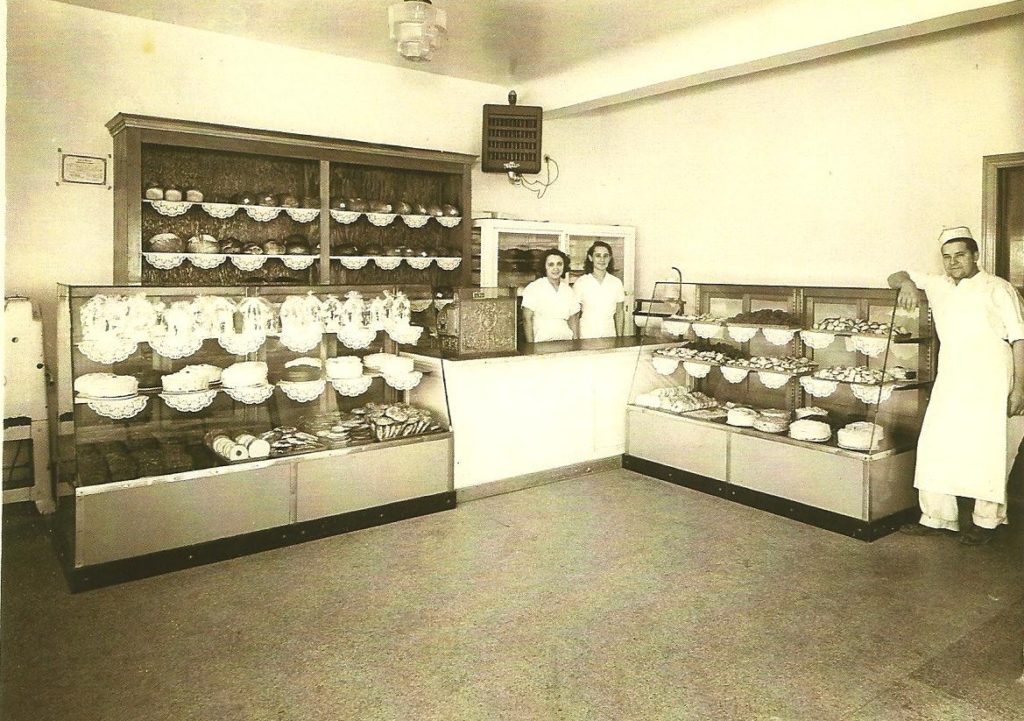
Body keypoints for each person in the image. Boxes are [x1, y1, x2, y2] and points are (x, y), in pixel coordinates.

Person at [888, 226, 1024, 545]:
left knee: (988, 448)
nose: (953, 262)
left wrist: (1020, 388)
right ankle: (937, 516)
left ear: (975, 255)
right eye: (947, 257)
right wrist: (907, 282)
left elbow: (1020, 338)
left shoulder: (998, 288)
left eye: (960, 255)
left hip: (992, 376)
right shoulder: (939, 285)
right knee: (938, 442)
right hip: (952, 375)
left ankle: (988, 521)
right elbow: (896, 274)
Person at [521, 249, 580, 343]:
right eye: (551, 264)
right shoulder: (534, 288)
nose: (556, 268)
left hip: (566, 342)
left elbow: (573, 318)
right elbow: (527, 319)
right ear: (544, 267)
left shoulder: (568, 290)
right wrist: (531, 347)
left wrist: (576, 344)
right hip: (541, 343)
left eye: (559, 264)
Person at [574, 240, 626, 339]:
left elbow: (619, 313)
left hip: (609, 333)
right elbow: (575, 315)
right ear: (590, 258)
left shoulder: (616, 283)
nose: (602, 259)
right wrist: (576, 340)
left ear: (610, 258)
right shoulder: (581, 282)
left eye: (605, 256)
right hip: (587, 333)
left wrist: (620, 338)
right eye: (598, 255)